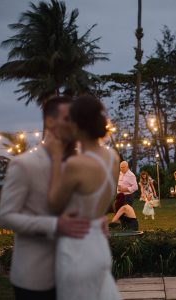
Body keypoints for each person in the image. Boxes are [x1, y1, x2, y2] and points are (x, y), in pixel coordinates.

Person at [0, 96, 91, 300]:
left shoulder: (75, 164)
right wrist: (55, 225)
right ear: (50, 121)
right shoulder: (24, 165)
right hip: (35, 277)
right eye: (68, 119)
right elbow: (6, 216)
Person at [47, 95, 121, 300]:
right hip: (99, 244)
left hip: (76, 248)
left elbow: (53, 203)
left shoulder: (76, 165)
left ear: (77, 124)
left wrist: (55, 158)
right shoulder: (113, 157)